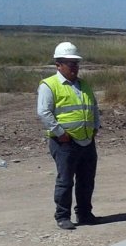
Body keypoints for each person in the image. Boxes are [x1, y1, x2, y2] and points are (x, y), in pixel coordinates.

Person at [37, 41, 99, 230]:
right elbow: (44, 112)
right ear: (58, 65)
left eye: (76, 63)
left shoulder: (84, 85)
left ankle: (85, 213)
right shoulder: (49, 85)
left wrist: (95, 127)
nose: (74, 67)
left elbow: (93, 107)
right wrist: (60, 133)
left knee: (86, 180)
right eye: (70, 63)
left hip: (86, 140)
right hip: (65, 142)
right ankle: (63, 215)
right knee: (65, 181)